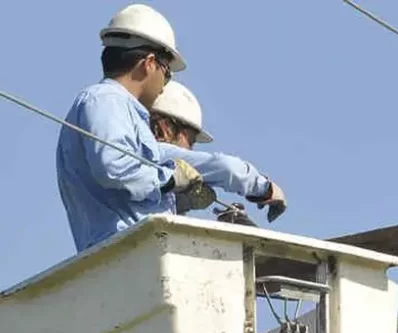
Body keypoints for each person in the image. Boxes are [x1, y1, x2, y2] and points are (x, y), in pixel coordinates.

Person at [55, 4, 214, 253]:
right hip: (124, 255)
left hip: (131, 254)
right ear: (149, 63)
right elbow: (113, 168)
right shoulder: (105, 101)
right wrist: (170, 179)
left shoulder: (113, 107)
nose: (164, 83)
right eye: (167, 71)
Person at [149, 80, 288, 225]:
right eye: (191, 141)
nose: (190, 150)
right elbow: (228, 168)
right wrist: (265, 189)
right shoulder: (159, 154)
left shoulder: (137, 164)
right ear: (165, 127)